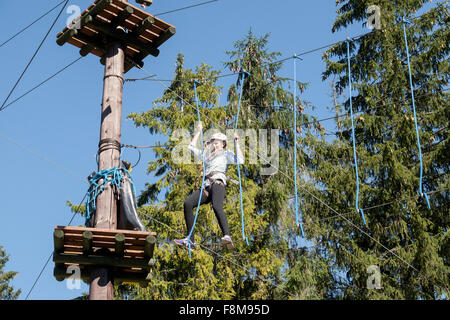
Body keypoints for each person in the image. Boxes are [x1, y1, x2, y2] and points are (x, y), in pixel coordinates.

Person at [174, 123, 244, 250]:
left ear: (223, 144)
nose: (214, 145)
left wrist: (237, 143)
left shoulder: (226, 154)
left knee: (217, 206)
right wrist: (198, 131)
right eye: (212, 143)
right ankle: (190, 239)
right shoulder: (206, 156)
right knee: (188, 204)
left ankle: (227, 235)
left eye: (216, 143)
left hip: (218, 182)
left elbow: (240, 160)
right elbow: (190, 147)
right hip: (206, 187)